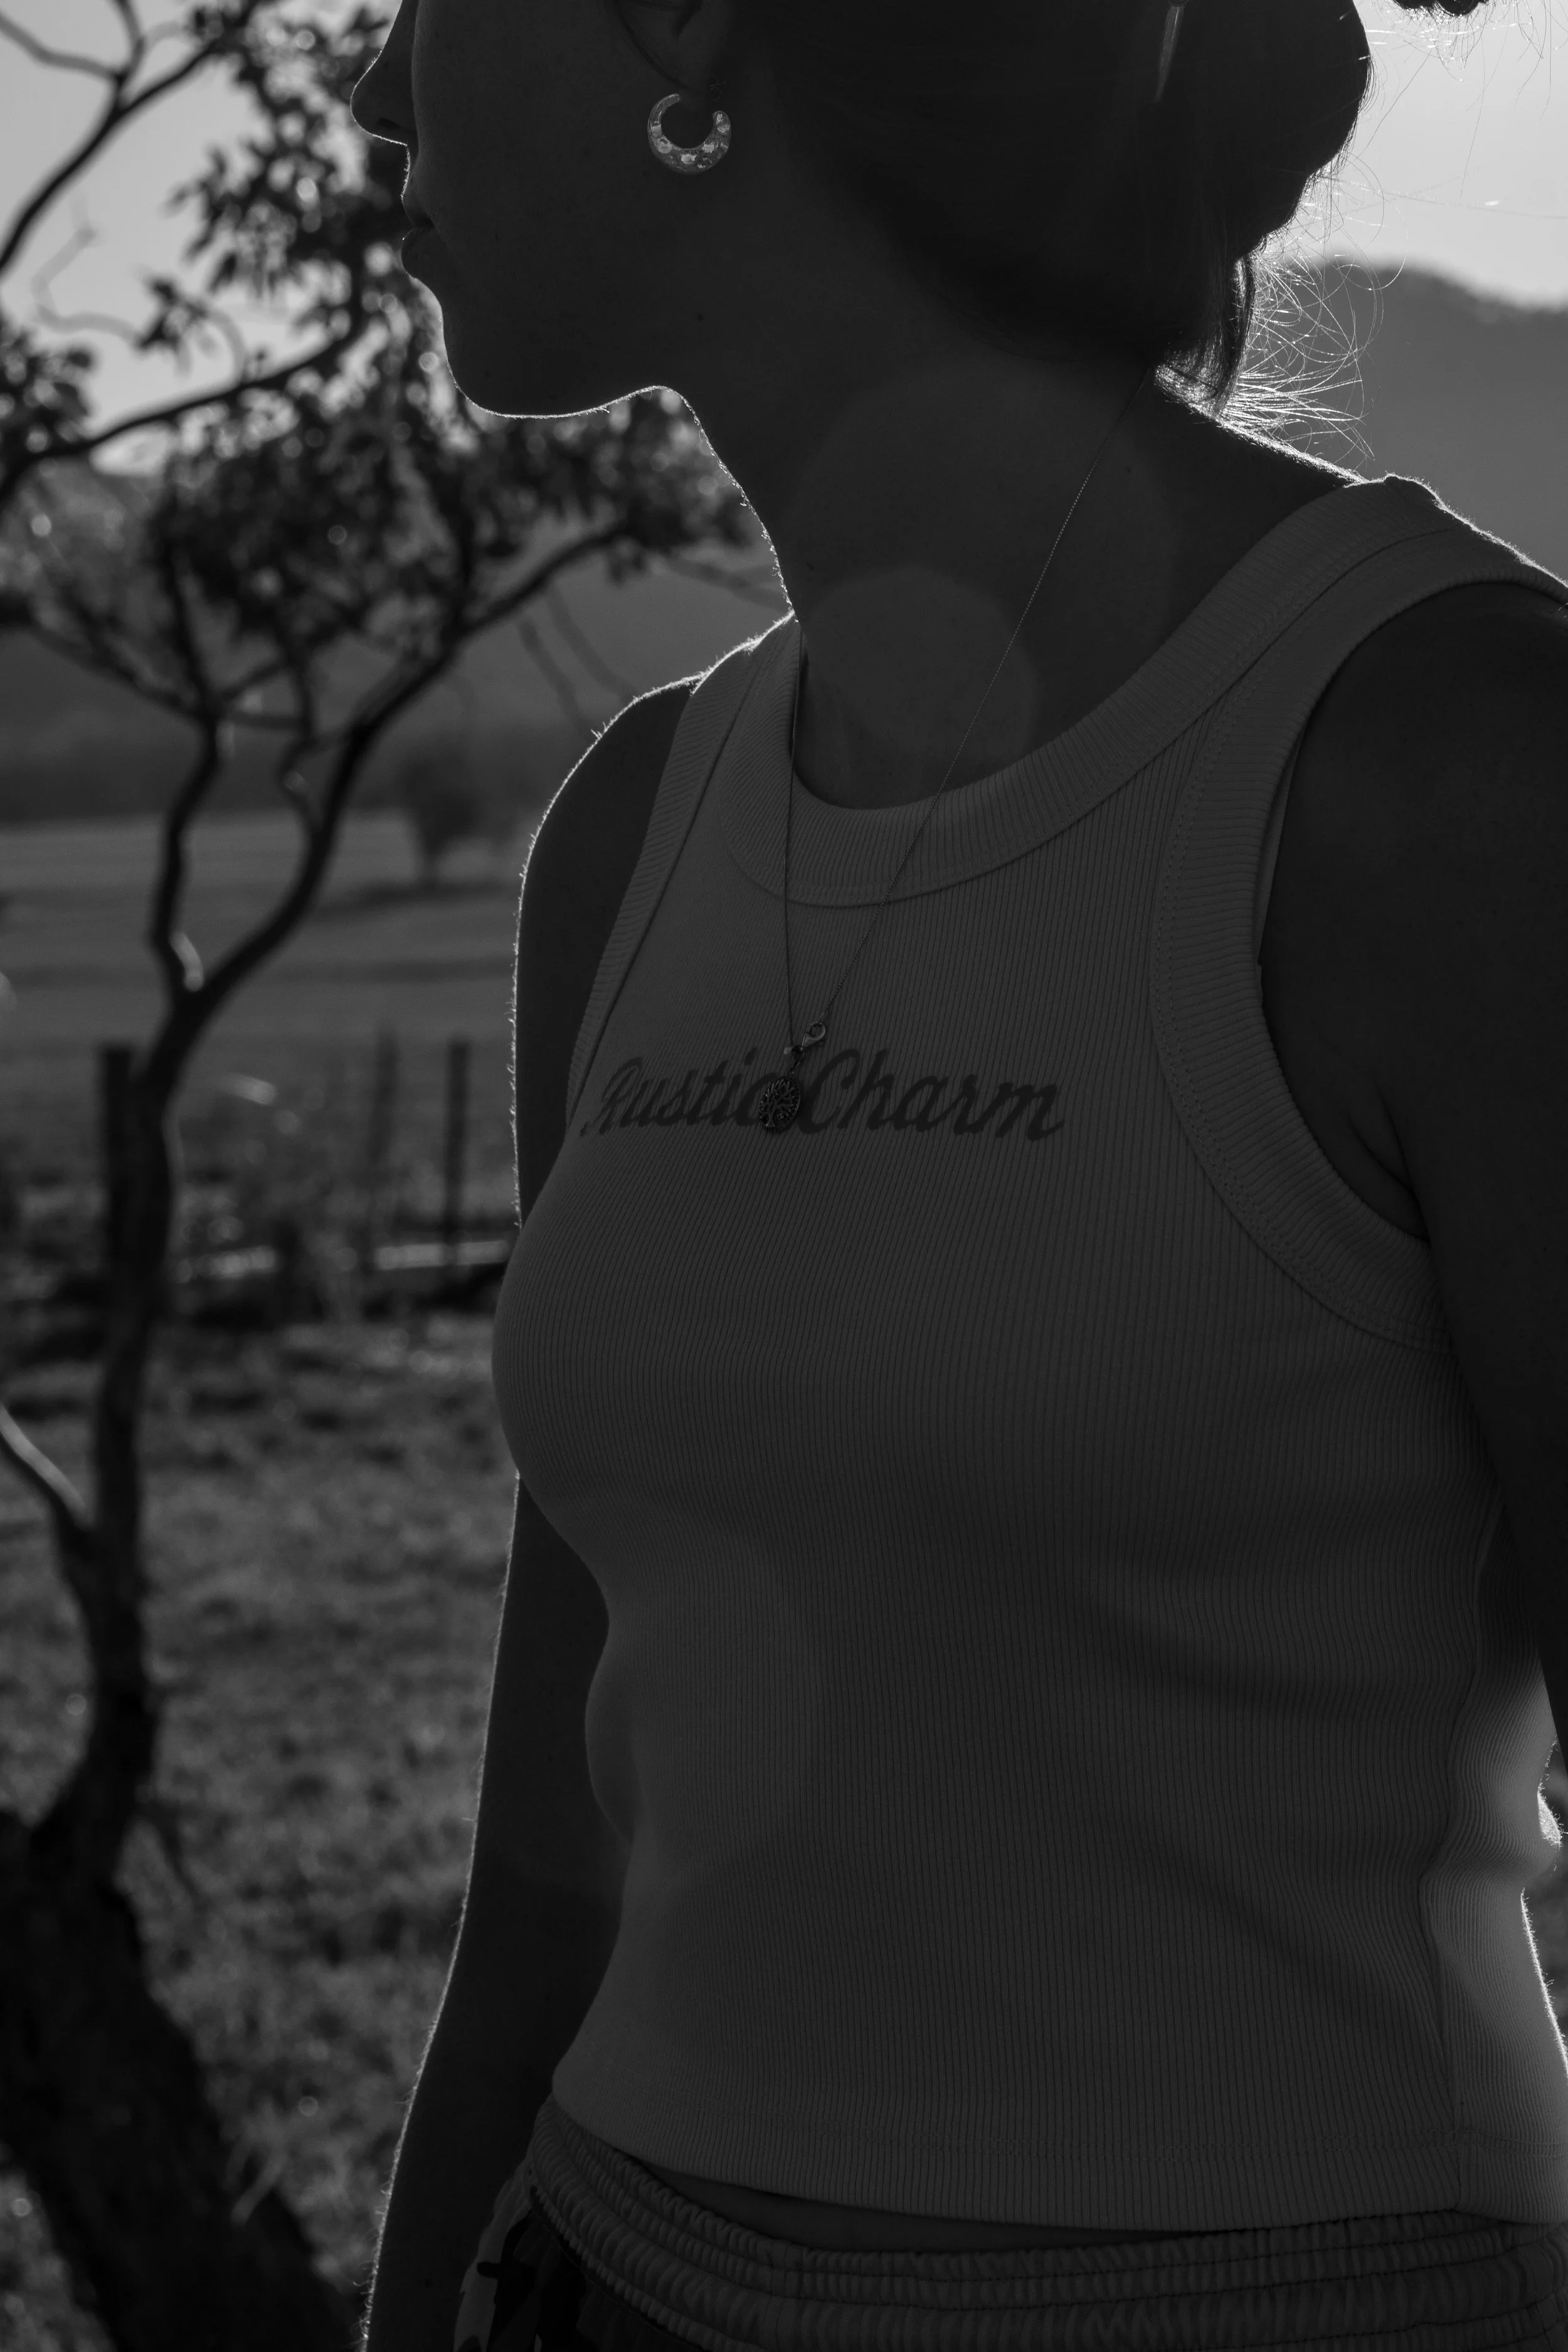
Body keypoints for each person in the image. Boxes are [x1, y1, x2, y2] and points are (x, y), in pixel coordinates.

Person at [349, 0, 1568, 2346]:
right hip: (596, 2276)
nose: (371, 93)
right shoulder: (636, 827)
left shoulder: (1452, 776)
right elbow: (565, 1830)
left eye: (420, 3)